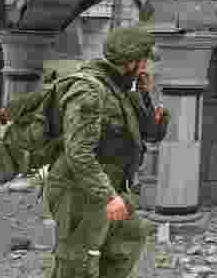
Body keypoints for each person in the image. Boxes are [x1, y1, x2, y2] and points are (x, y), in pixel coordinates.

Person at [43, 26, 170, 278]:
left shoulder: (120, 89)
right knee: (75, 262)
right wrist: (108, 197)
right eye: (143, 60)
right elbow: (78, 153)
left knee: (127, 241)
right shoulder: (90, 91)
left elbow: (151, 134)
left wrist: (145, 93)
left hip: (111, 184)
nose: (146, 66)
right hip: (77, 188)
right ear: (131, 60)